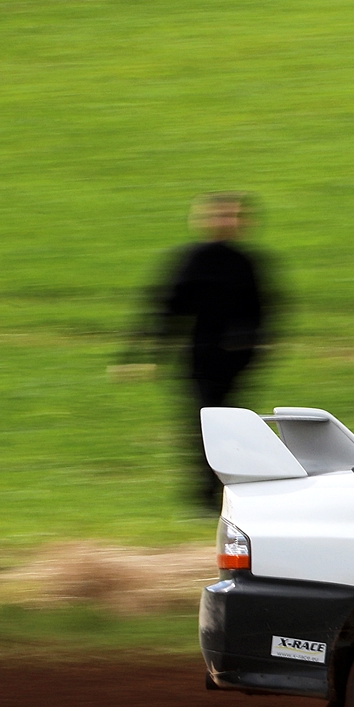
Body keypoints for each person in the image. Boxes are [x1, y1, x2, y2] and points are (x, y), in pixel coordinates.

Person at [113, 192, 277, 510]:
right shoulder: (192, 259)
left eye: (232, 216)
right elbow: (166, 308)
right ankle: (204, 496)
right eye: (219, 216)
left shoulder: (249, 262)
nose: (225, 222)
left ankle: (229, 491)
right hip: (200, 359)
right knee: (202, 427)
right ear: (202, 220)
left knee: (234, 428)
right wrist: (141, 354)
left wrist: (254, 349)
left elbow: (265, 312)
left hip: (237, 363)